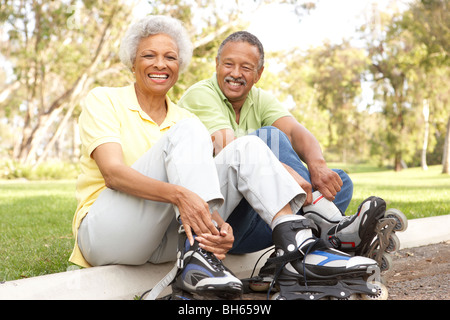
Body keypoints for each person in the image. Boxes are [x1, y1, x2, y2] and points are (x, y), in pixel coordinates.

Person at [69, 16, 379, 300]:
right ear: (132, 61)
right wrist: (181, 196)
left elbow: (198, 184)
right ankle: (323, 227)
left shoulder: (183, 117)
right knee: (200, 132)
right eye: (149, 56)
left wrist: (218, 226)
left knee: (250, 148)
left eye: (170, 57)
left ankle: (294, 250)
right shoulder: (105, 99)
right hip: (107, 234)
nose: (160, 65)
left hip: (166, 240)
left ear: (180, 64)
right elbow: (113, 173)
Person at [178, 31, 387, 256]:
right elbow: (230, 146)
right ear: (217, 64)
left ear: (258, 74)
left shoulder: (258, 98)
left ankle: (297, 244)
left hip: (263, 219)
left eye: (246, 68)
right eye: (228, 64)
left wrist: (318, 166)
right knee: (267, 136)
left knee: (338, 181)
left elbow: (296, 132)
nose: (235, 73)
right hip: (223, 221)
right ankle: (329, 226)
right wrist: (287, 176)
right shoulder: (201, 94)